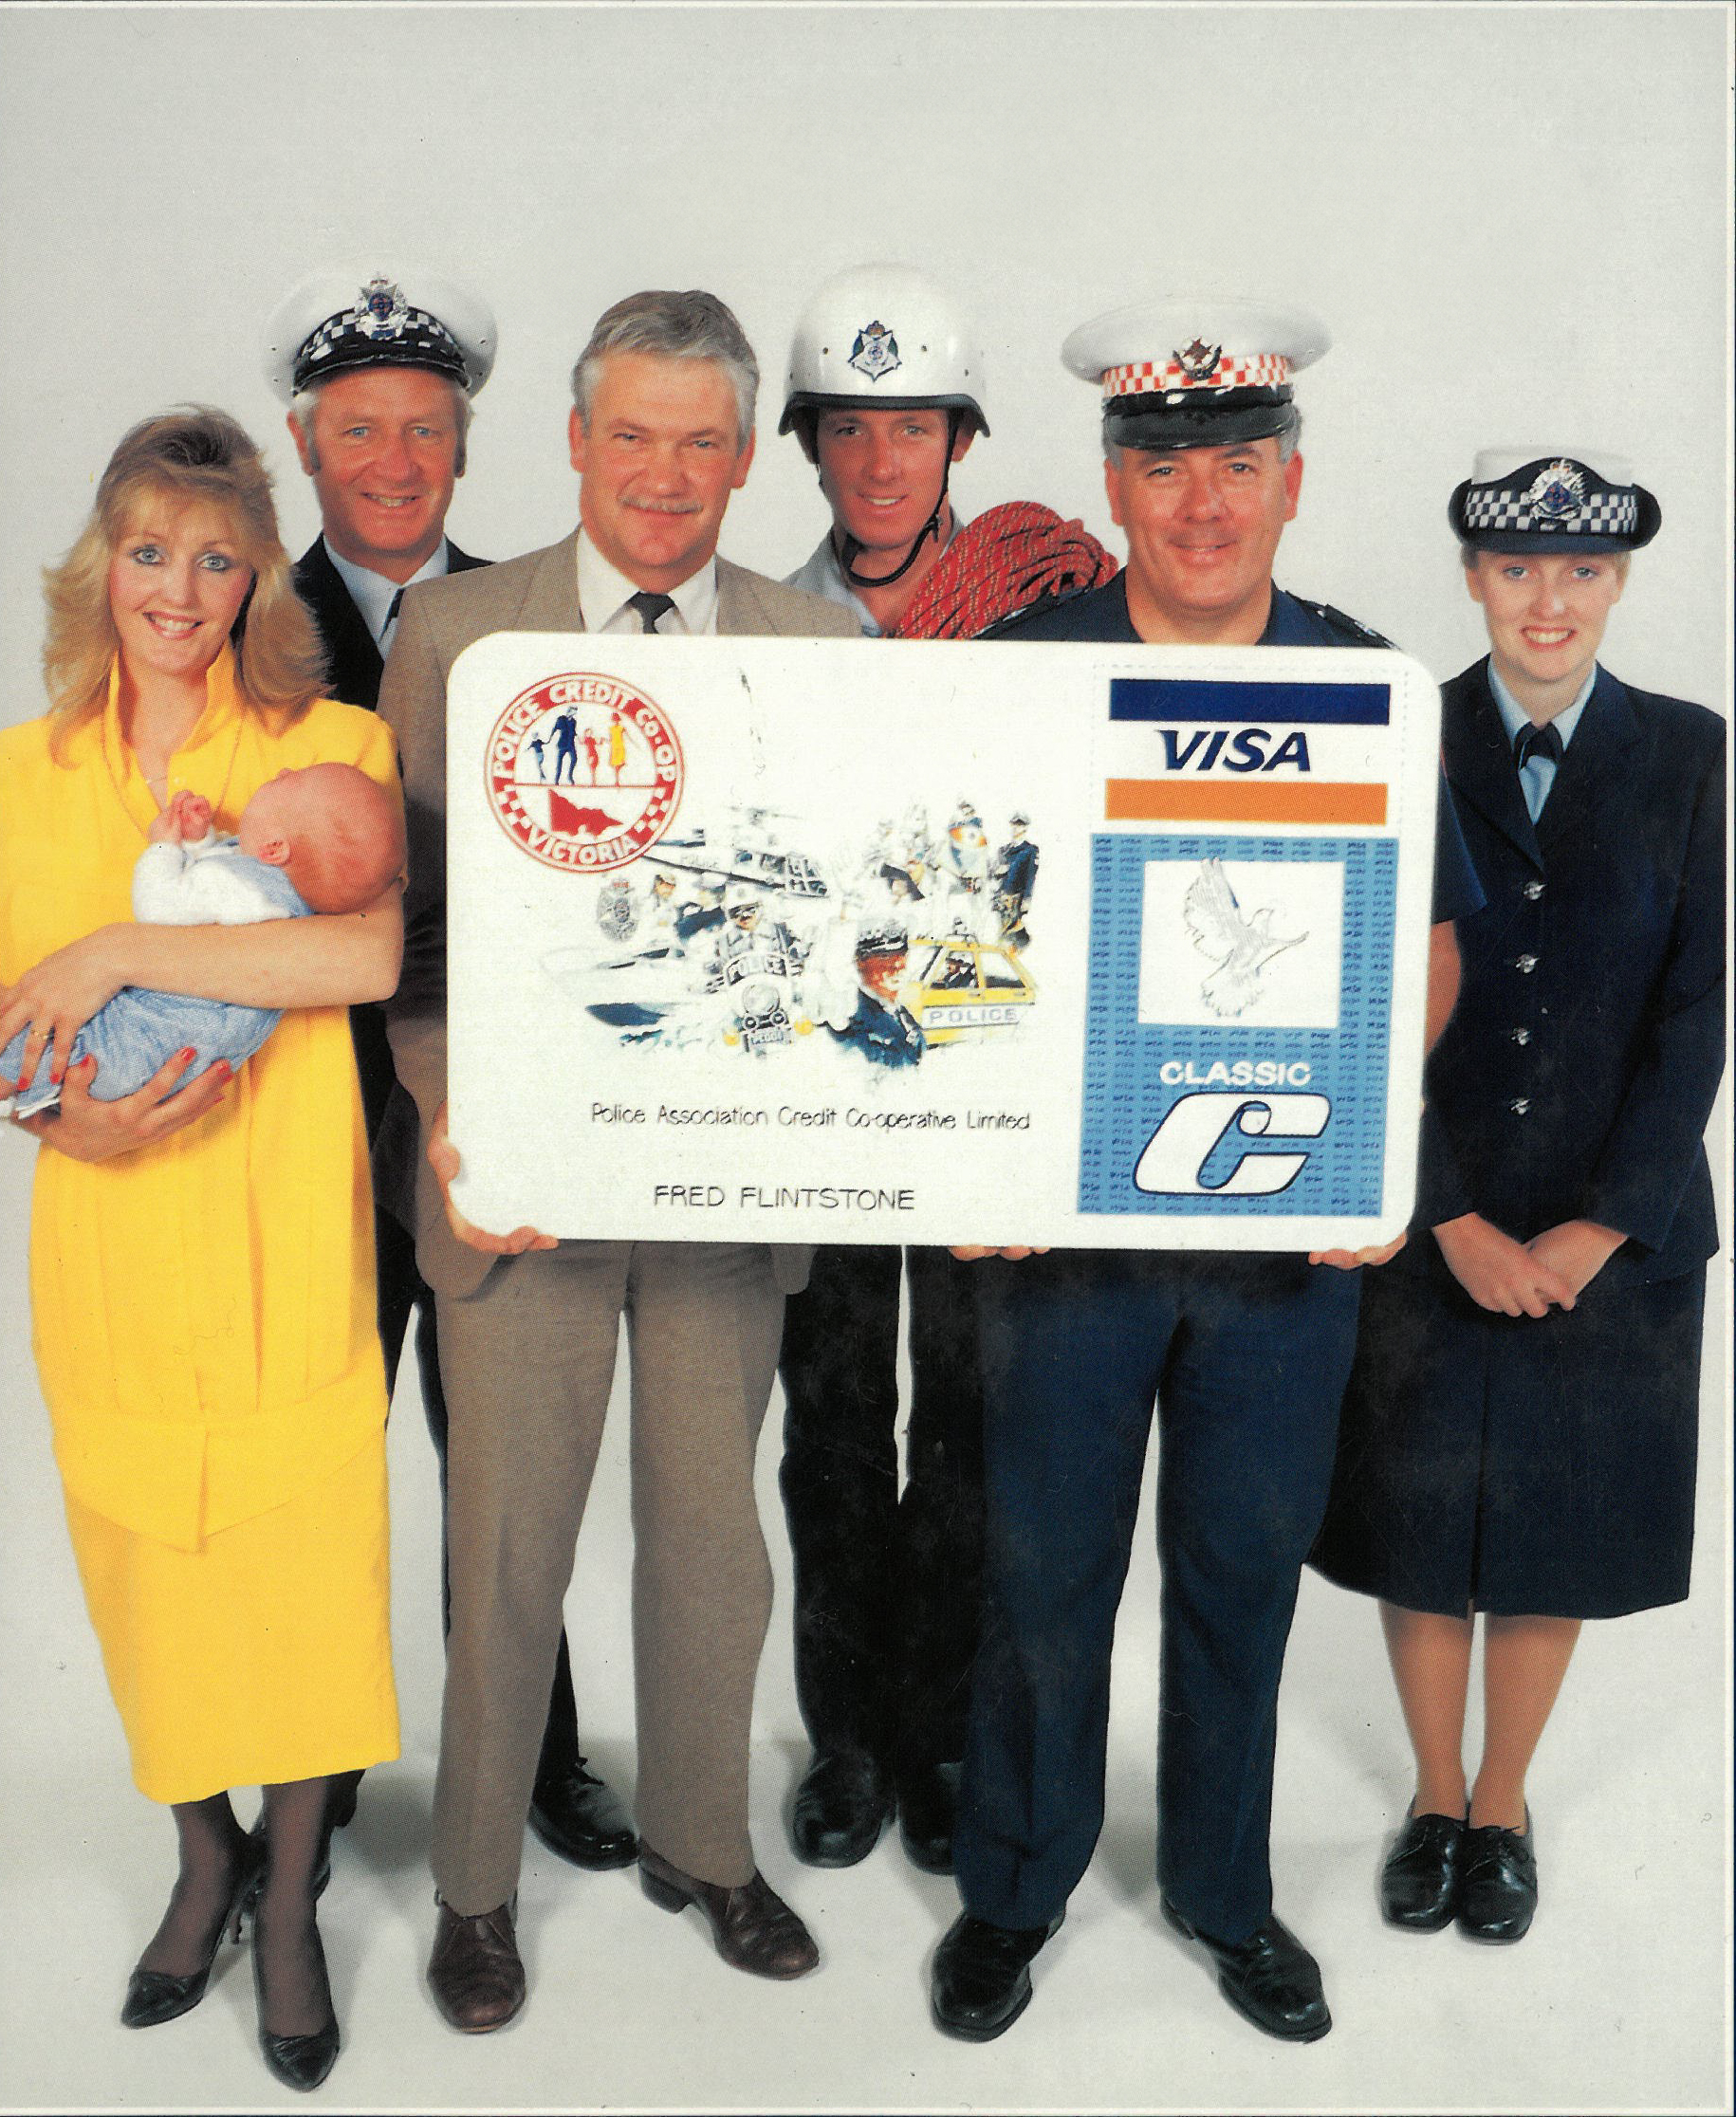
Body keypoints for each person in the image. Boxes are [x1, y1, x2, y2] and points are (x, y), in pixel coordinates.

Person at [929, 299, 1483, 2047]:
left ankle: (1223, 1893)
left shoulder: (1361, 682)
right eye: (1162, 466)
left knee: (1238, 1568)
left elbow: (1434, 939)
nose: (1199, 501)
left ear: (1291, 482)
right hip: (1063, 1240)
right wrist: (965, 1147)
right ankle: (1014, 1883)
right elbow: (945, 913)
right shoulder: (1022, 676)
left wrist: (1356, 1130)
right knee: (1040, 1571)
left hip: (1274, 1248)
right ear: (1111, 478)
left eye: (1236, 464)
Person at [379, 288, 859, 2034]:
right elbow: (409, 931)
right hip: (521, 1188)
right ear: (574, 443)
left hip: (724, 1186)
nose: (664, 474)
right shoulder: (453, 629)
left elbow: (837, 925)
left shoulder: (819, 650)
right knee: (508, 1547)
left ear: (743, 457)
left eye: (701, 439)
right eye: (630, 434)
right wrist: (448, 1120)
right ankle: (476, 1885)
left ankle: (703, 1844)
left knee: (709, 1541)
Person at [0, 407, 406, 2093]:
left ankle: (296, 1895)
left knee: (305, 1576)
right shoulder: (23, 775)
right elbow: (4, 1024)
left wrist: (115, 944)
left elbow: (364, 956)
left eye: (217, 556)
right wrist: (49, 1111)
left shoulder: (330, 746)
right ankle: (202, 1857)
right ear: (106, 564)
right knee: (147, 1571)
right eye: (150, 552)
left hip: (286, 1227)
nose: (179, 588)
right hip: (111, 1228)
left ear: (255, 578)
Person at [1309, 451, 1725, 1943]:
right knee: (1419, 1525)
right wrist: (1449, 1217)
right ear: (1471, 578)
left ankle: (1502, 1803)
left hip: (1606, 1237)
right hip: (1435, 1216)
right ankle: (1430, 1793)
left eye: (1580, 574)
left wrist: (1596, 1227)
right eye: (1515, 571)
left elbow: (1695, 1009)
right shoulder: (1393, 735)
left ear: (1614, 584)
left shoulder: (1686, 752)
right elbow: (1355, 989)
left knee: (1548, 1527)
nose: (1546, 604)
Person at [265, 268, 631, 1875]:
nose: (395, 458)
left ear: (467, 447)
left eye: (424, 427)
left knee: (508, 1462)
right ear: (304, 441)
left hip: (494, 1117)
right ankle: (319, 1760)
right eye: (361, 429)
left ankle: (534, 1754)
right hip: (301, 1122)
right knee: (321, 1454)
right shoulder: (238, 621)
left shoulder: (543, 608)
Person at [774, 263, 1119, 1874]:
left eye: (909, 426)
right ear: (811, 446)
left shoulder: (1045, 608)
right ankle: (845, 1738)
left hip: (983, 1062)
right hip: (827, 1073)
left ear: (956, 439)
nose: (879, 460)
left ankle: (936, 1733)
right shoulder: (762, 628)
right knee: (834, 1413)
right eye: (848, 429)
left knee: (971, 1417)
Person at [0, 764, 402, 1114]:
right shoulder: (283, 894)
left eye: (289, 782)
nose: (282, 772)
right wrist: (199, 841)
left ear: (275, 848)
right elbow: (216, 904)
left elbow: (160, 910)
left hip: (138, 1042)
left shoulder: (243, 887)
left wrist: (164, 846)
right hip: (173, 1059)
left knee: (26, 1040)